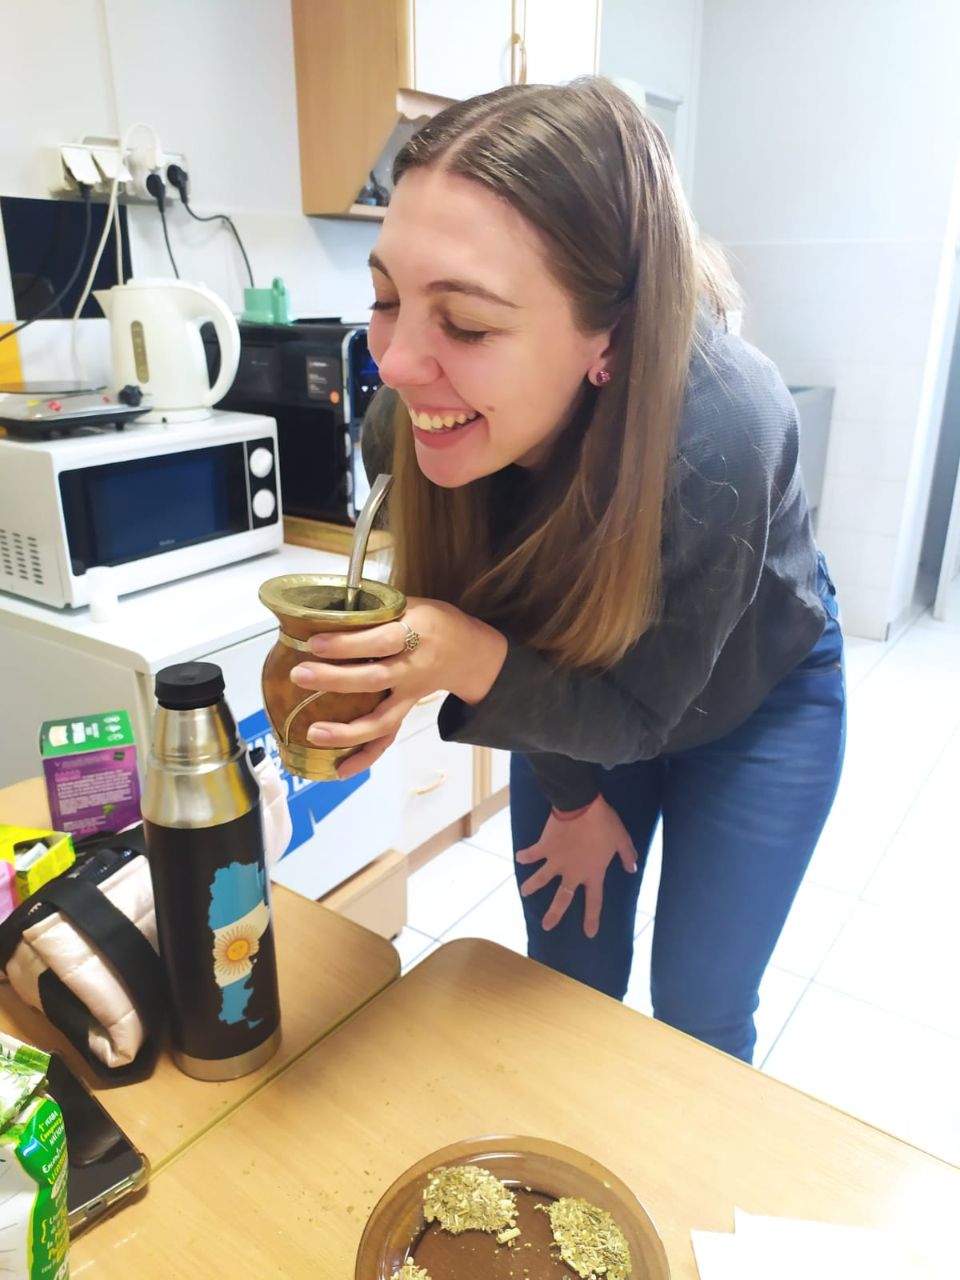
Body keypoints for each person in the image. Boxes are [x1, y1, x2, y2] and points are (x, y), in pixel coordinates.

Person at [287, 78, 845, 1064]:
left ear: (611, 337)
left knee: (701, 1009)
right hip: (580, 691)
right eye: (386, 299)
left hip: (755, 703)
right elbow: (529, 646)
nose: (397, 365)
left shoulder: (725, 428)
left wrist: (461, 653)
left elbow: (635, 709)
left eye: (465, 324)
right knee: (564, 979)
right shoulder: (407, 425)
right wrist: (577, 796)